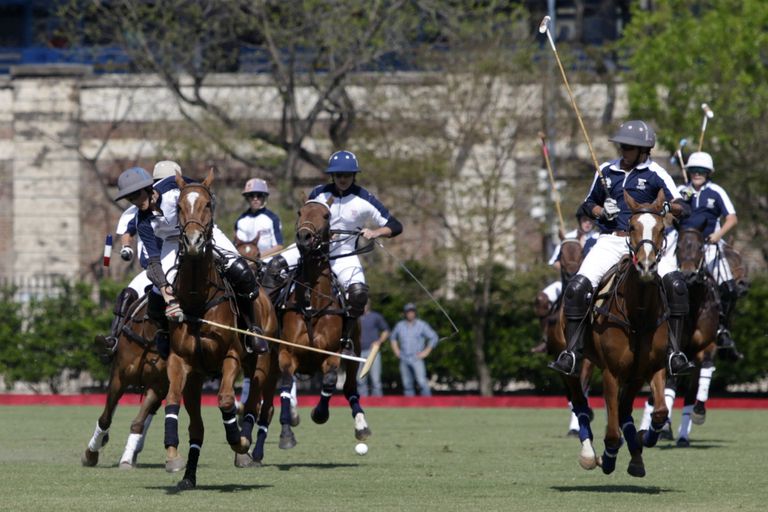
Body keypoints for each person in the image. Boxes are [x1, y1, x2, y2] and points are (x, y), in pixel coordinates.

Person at [549, 120, 694, 377]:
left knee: (677, 287)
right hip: (613, 240)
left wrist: (667, 208)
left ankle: (674, 353)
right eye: (622, 146)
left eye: (628, 147)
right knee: (577, 288)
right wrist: (601, 211)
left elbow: (683, 207)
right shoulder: (606, 171)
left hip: (648, 241)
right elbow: (586, 205)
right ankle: (571, 351)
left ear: (643, 150)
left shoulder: (655, 174)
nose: (623, 151)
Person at [113, 165, 268, 356]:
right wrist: (166, 292)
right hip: (171, 242)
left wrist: (205, 221)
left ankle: (252, 328)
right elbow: (154, 262)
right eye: (130, 199)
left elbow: (201, 192)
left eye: (137, 195)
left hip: (202, 230)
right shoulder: (142, 221)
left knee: (241, 271)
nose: (135, 202)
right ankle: (163, 334)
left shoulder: (170, 186)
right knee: (154, 294)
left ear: (148, 188)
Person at [264, 150, 403, 354]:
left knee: (358, 293)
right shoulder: (319, 193)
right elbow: (306, 217)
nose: (343, 179)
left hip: (343, 253)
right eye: (339, 175)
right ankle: (267, 326)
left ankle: (345, 337)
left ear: (354, 175)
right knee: (274, 267)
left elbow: (395, 225)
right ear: (332, 176)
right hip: (310, 250)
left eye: (347, 175)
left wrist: (376, 232)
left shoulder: (364, 199)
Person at [97, 161, 180, 358]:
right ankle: (114, 339)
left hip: (178, 259)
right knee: (127, 295)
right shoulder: (137, 211)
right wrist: (126, 247)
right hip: (153, 266)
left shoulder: (177, 199)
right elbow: (128, 232)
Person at [679, 151, 742, 359]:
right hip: (683, 248)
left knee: (730, 288)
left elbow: (732, 218)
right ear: (688, 172)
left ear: (708, 173)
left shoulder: (716, 192)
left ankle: (722, 328)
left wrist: (718, 234)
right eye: (694, 171)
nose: (697, 174)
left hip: (709, 245)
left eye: (702, 171)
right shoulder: (680, 191)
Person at [390, 303, 438, 397]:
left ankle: (429, 404)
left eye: (412, 312)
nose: (410, 314)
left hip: (417, 357)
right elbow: (393, 338)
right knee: (407, 384)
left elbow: (434, 337)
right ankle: (410, 408)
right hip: (404, 357)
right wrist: (396, 351)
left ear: (415, 313)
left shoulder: (422, 325)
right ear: (405, 313)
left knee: (422, 382)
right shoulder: (400, 325)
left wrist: (426, 351)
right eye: (408, 312)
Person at [234, 178, 284, 259]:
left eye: (259, 195)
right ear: (247, 198)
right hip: (244, 264)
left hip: (267, 263)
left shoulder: (273, 219)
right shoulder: (240, 221)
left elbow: (279, 247)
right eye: (251, 195)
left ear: (264, 197)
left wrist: (257, 257)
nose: (255, 198)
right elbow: (235, 246)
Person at [356, 302, 390, 397]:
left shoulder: (376, 316)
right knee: (360, 379)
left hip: (373, 352)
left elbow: (386, 331)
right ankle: (363, 402)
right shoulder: (356, 317)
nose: (364, 306)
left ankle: (378, 404)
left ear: (369, 305)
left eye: (365, 304)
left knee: (376, 380)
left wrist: (379, 341)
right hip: (358, 352)